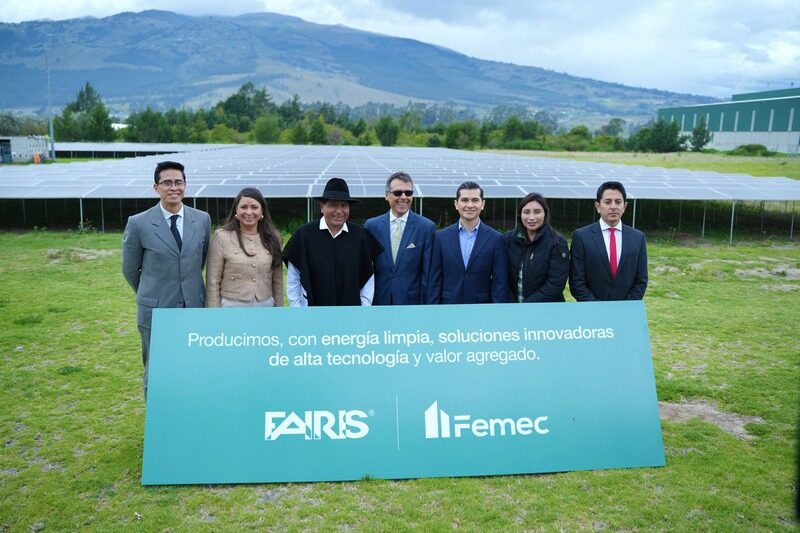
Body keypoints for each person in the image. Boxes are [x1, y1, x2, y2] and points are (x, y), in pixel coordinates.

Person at [122, 161, 211, 395]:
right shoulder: (138, 223)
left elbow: (200, 261)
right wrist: (151, 292)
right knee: (156, 370)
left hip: (193, 307)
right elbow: (130, 269)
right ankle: (157, 414)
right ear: (156, 187)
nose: (174, 188)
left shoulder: (202, 219)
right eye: (167, 183)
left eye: (178, 182)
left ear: (185, 186)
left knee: (192, 366)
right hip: (156, 310)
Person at [283, 177, 382, 306]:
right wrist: (298, 309)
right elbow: (294, 278)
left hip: (351, 312)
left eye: (344, 205)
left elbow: (368, 278)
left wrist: (363, 309)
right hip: (313, 312)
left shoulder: (360, 237)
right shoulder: (304, 235)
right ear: (322, 206)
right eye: (333, 205)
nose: (339, 211)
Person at [427, 181, 510, 304]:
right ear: (456, 204)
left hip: (481, 308)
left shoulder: (496, 239)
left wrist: (497, 311)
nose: (470, 205)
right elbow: (434, 279)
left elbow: (500, 283)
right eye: (464, 200)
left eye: (475, 200)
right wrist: (433, 310)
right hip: (448, 306)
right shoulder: (441, 238)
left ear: (483, 204)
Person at [365, 171, 436, 305]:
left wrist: (426, 307)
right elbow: (366, 269)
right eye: (398, 193)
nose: (403, 197)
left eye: (408, 193)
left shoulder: (426, 228)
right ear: (386, 195)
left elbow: (428, 274)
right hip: (379, 302)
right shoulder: (372, 226)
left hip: (411, 304)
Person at [569, 181, 648, 301]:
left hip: (626, 309)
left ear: (624, 206)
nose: (613, 206)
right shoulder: (581, 237)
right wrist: (598, 308)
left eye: (618, 202)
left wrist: (626, 306)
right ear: (598, 206)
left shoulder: (638, 238)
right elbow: (576, 281)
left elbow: (641, 280)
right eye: (607, 202)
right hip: (591, 309)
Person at [205, 187, 283, 308]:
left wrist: (279, 311)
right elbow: (212, 281)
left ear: (262, 211)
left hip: (265, 306)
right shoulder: (221, 236)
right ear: (236, 210)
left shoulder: (273, 238)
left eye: (254, 207)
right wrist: (214, 313)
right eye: (244, 207)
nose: (249, 212)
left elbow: (278, 281)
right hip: (231, 307)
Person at [504, 192, 569, 302]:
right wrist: (512, 305)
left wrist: (528, 306)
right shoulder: (507, 240)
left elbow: (556, 284)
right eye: (526, 212)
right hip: (512, 307)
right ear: (520, 214)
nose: (531, 217)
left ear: (545, 213)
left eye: (537, 212)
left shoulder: (557, 242)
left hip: (546, 308)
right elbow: (501, 278)